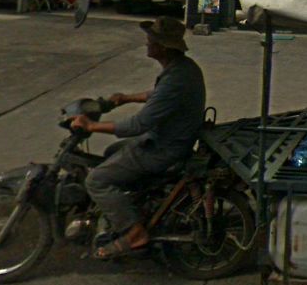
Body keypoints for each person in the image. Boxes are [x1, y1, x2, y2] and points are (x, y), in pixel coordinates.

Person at [70, 16, 206, 259]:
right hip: (169, 140)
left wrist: (92, 125)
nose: (147, 43)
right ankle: (130, 207)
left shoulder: (176, 78)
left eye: (151, 40)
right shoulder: (183, 68)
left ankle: (134, 232)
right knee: (111, 152)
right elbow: (157, 95)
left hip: (163, 148)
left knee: (96, 180)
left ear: (163, 47)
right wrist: (126, 98)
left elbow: (137, 125)